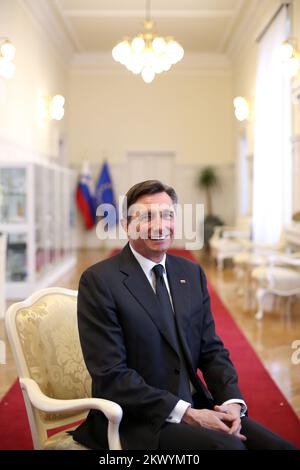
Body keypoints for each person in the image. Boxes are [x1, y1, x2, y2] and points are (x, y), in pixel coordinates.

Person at [72, 180, 296, 450]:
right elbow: (111, 376)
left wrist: (232, 402)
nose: (160, 226)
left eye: (167, 215)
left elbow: (211, 349)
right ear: (125, 224)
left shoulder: (191, 274)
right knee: (231, 449)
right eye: (146, 217)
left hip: (196, 404)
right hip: (138, 420)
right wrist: (187, 414)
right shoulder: (100, 281)